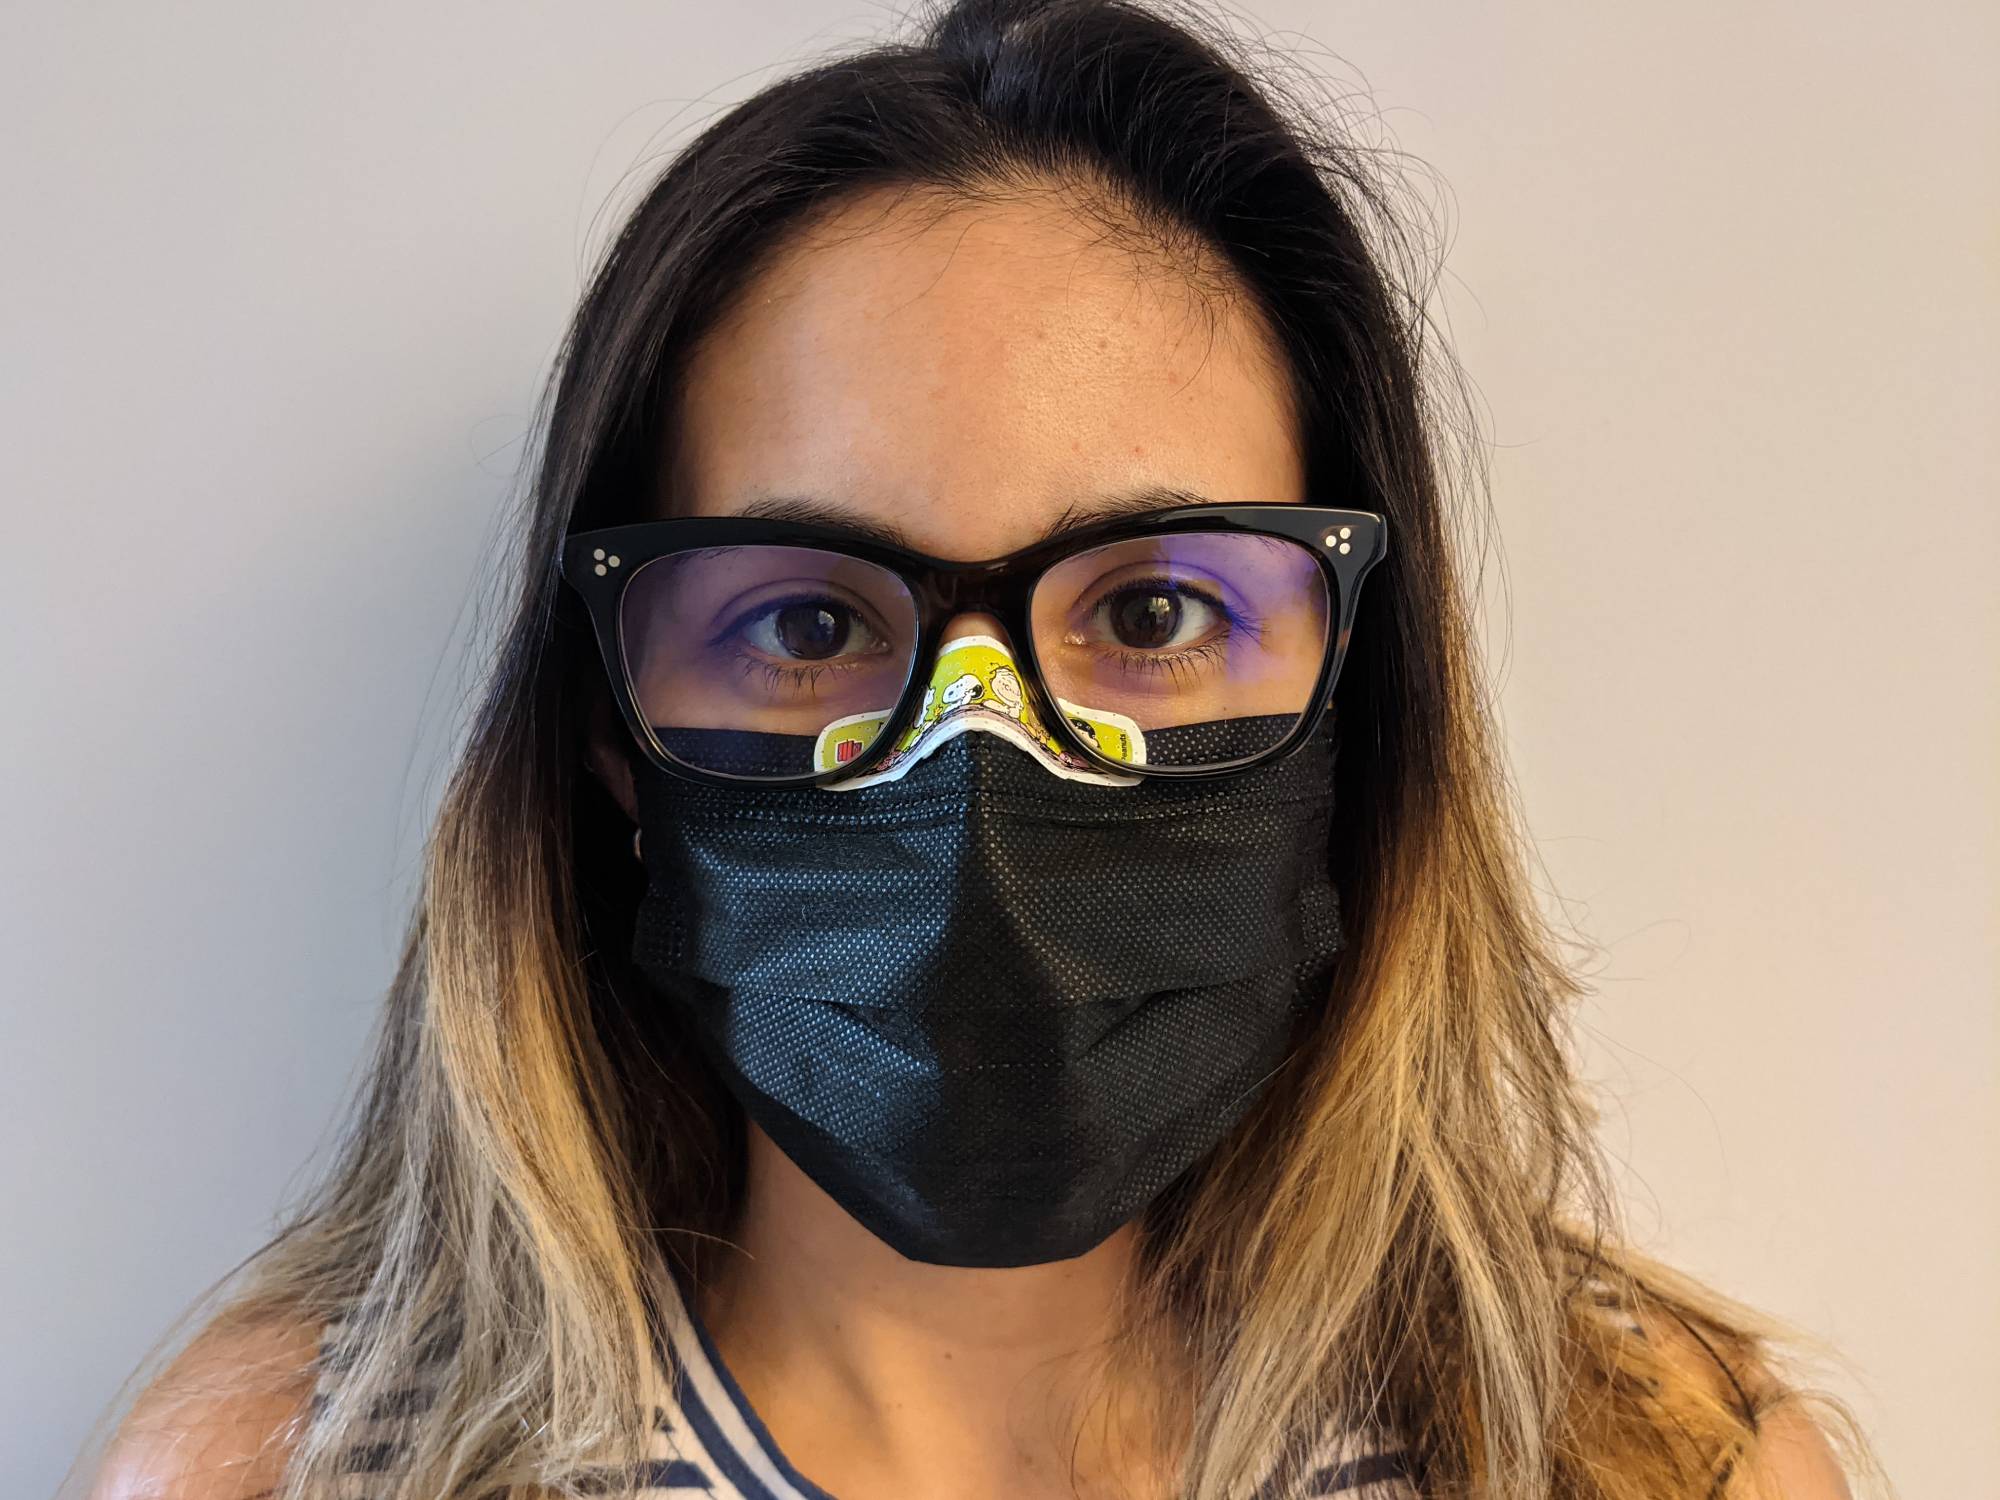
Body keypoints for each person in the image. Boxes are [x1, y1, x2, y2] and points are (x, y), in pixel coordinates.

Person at [79, 1, 1881, 1497]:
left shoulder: (1646, 1464)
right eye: (809, 626)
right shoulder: (288, 1470)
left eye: (1155, 611)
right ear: (608, 740)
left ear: (1360, 699)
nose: (981, 776)